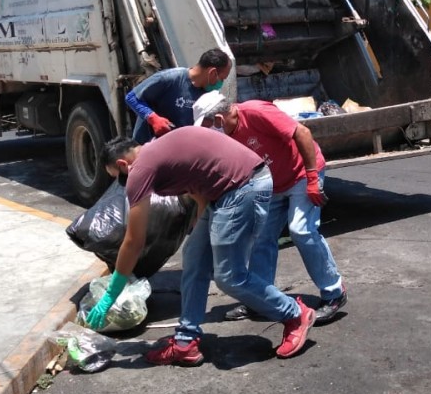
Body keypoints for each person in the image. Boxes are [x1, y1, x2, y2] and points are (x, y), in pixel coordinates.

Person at [86, 128, 316, 366]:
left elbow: (134, 241)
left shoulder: (141, 168)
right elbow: (195, 182)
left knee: (229, 277)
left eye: (118, 176)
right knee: (194, 259)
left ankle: (295, 314)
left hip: (243, 187)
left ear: (123, 164)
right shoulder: (156, 150)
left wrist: (111, 295)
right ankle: (186, 341)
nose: (123, 183)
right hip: (224, 190)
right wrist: (200, 221)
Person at [192, 91, 347, 325]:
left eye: (207, 126)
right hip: (271, 183)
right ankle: (259, 299)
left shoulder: (256, 112)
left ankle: (334, 293)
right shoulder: (224, 136)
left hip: (301, 174)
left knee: (301, 230)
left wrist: (313, 178)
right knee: (260, 237)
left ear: (219, 120)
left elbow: (302, 133)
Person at [125, 48, 231, 143]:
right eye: (222, 79)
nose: (221, 83)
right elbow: (132, 97)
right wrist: (152, 118)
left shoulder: (208, 95)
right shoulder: (170, 78)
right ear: (212, 73)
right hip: (146, 146)